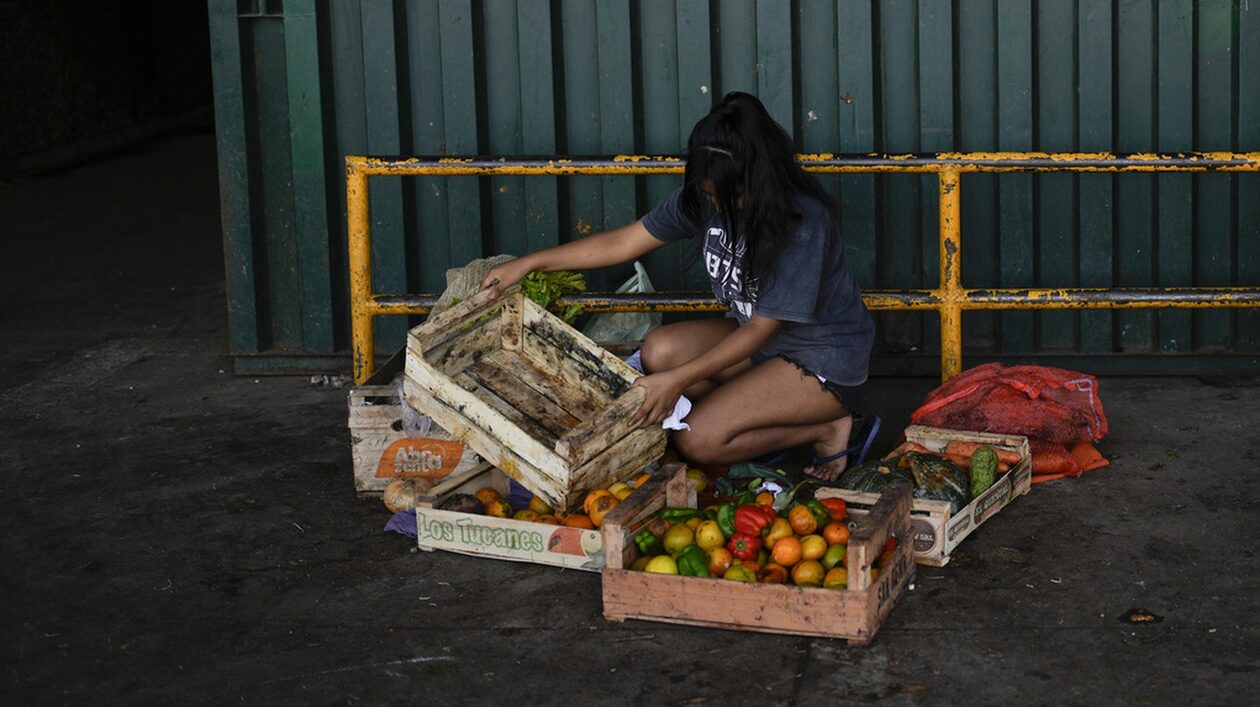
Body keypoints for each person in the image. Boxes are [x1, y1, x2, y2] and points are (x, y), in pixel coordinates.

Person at [481, 91, 877, 480]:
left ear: (761, 180)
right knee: (659, 349)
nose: (718, 205)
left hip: (823, 361)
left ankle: (828, 427)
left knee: (697, 441)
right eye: (709, 193)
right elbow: (625, 241)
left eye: (732, 196)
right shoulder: (703, 199)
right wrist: (531, 263)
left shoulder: (801, 222)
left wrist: (676, 382)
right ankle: (747, 415)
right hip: (765, 349)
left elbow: (761, 328)